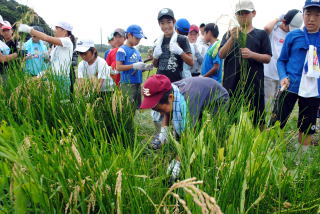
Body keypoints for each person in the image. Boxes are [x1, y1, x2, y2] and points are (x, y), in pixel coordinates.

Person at [140, 74, 229, 180]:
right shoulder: (170, 91)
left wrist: (178, 161)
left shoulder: (187, 103)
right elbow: (168, 110)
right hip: (199, 95)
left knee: (208, 134)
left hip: (217, 99)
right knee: (181, 128)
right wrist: (164, 131)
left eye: (159, 110)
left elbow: (190, 134)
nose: (159, 113)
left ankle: (211, 161)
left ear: (170, 98)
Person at [219, 0, 272, 127]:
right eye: (239, 13)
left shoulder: (261, 34)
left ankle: (257, 142)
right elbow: (221, 54)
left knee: (256, 117)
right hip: (232, 83)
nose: (242, 16)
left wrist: (252, 54)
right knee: (232, 117)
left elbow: (268, 57)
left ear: (253, 13)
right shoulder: (229, 34)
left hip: (254, 83)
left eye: (245, 13)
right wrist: (232, 38)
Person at [276, 0, 320, 152]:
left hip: (313, 92)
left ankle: (301, 162)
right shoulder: (294, 35)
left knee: (307, 128)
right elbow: (281, 61)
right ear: (303, 13)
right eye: (308, 14)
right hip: (289, 86)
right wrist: (283, 76)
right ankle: (270, 156)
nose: (312, 19)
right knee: (276, 122)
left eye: (317, 15)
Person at [18, 21, 76, 95]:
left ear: (64, 31)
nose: (54, 31)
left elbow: (46, 38)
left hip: (61, 78)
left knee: (62, 103)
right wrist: (41, 75)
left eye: (57, 29)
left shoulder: (67, 41)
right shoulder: (56, 46)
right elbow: (53, 65)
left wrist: (29, 30)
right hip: (53, 76)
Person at [263, 9, 303, 106]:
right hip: (269, 74)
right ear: (285, 22)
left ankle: (272, 121)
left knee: (278, 105)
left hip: (282, 76)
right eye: (289, 26)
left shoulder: (292, 35)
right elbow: (266, 29)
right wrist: (278, 19)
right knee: (267, 103)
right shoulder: (274, 29)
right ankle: (264, 121)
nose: (290, 30)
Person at [116, 24, 152, 111]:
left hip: (137, 83)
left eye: (139, 39)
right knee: (126, 108)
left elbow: (139, 68)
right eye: (137, 38)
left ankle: (132, 124)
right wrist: (133, 65)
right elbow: (118, 67)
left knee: (135, 108)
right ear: (129, 35)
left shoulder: (137, 51)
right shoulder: (122, 50)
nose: (138, 41)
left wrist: (145, 67)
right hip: (127, 84)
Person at [152, 8, 193, 83]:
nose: (166, 26)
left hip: (176, 82)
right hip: (160, 82)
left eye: (168, 22)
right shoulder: (157, 42)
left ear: (174, 22)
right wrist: (155, 57)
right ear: (159, 24)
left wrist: (180, 52)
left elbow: (191, 62)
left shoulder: (182, 39)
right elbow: (155, 65)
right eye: (162, 23)